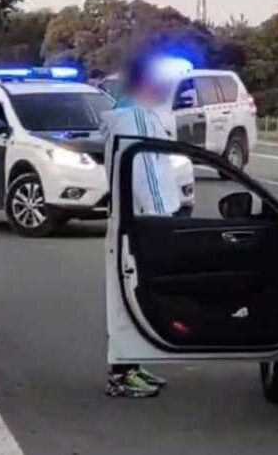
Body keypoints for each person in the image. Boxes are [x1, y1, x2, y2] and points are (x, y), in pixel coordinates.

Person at [100, 49, 182, 398]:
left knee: (128, 296)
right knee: (129, 297)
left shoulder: (130, 115)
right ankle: (122, 373)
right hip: (141, 224)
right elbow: (148, 174)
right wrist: (164, 221)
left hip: (130, 221)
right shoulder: (136, 119)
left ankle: (131, 364)